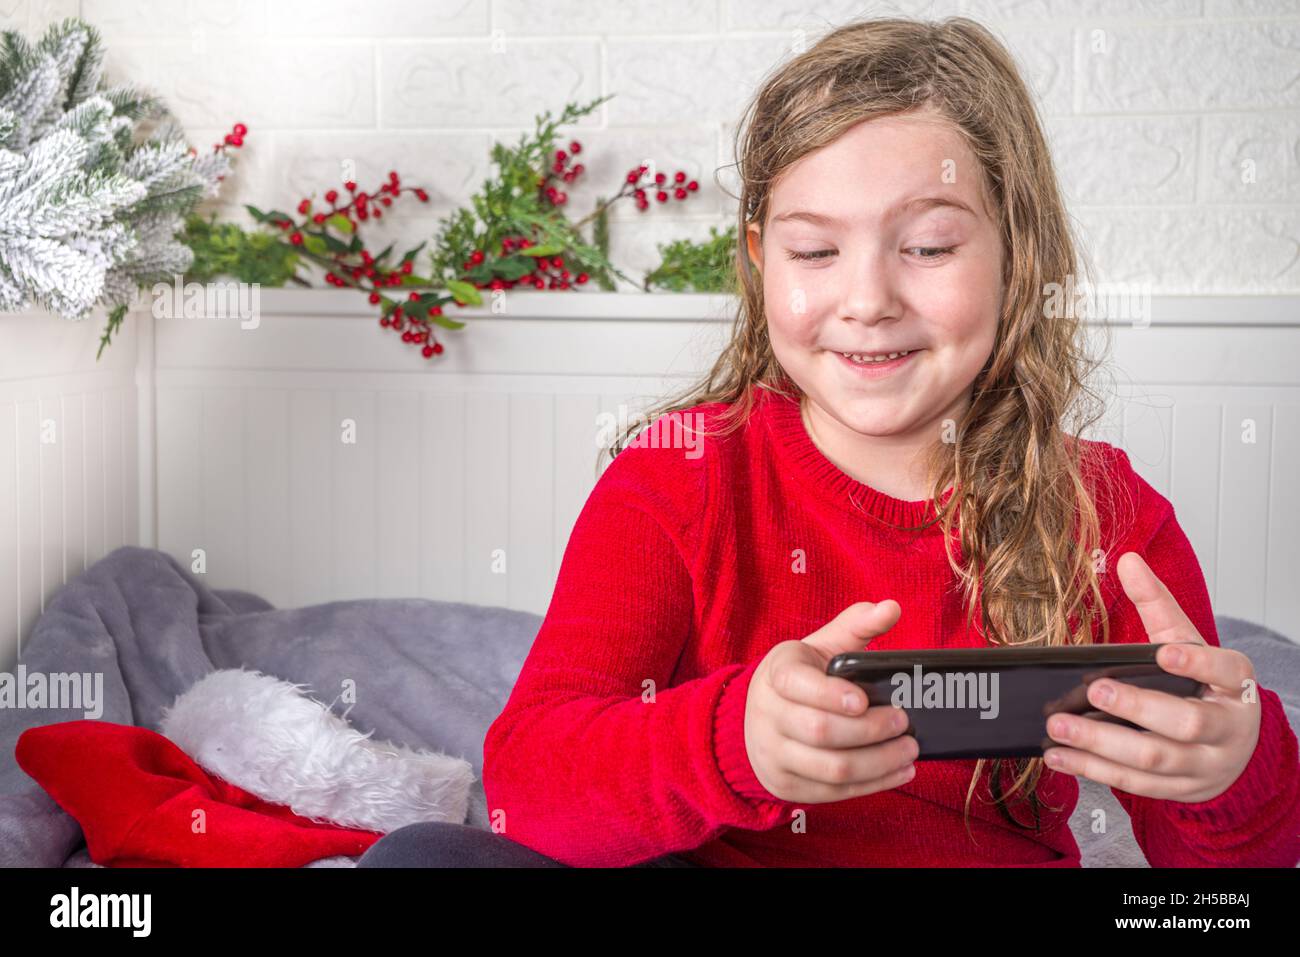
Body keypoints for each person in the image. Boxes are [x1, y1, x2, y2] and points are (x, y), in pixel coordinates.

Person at [365, 15, 1300, 868]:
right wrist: (736, 744)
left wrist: (1233, 764)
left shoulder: (1107, 511)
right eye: (816, 251)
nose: (867, 299)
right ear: (760, 259)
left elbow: (1218, 887)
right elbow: (528, 790)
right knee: (424, 859)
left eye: (929, 247)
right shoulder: (681, 470)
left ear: (1019, 255)